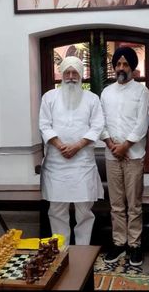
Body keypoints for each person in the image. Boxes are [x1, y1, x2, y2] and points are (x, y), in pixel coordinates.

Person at [39, 56, 104, 245]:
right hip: (56, 163)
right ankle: (61, 251)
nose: (70, 77)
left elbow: (97, 126)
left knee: (84, 210)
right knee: (57, 210)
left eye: (74, 72)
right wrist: (60, 146)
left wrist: (77, 146)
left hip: (82, 162)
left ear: (81, 75)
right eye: (67, 72)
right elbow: (44, 124)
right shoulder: (49, 97)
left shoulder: (92, 99)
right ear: (61, 74)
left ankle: (83, 251)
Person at [100, 47, 149, 266]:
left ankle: (135, 246)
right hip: (112, 155)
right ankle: (119, 244)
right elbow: (100, 121)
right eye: (118, 64)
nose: (121, 68)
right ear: (114, 66)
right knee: (116, 205)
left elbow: (141, 124)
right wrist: (111, 144)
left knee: (134, 204)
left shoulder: (142, 92)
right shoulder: (106, 92)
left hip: (134, 155)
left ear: (132, 67)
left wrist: (125, 146)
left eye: (125, 64)